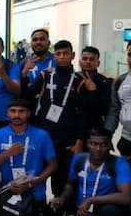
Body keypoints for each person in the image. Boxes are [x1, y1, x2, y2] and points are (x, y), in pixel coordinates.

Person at [51, 128, 131, 216]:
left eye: (103, 144)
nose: (98, 149)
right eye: (94, 144)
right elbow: (70, 184)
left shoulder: (119, 164)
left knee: (111, 213)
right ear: (88, 144)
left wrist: (91, 200)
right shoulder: (79, 159)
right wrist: (62, 198)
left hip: (102, 211)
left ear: (110, 145)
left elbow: (126, 196)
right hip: (79, 208)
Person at [0, 98, 57, 216]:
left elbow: (53, 165)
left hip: (35, 193)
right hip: (8, 191)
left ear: (28, 114)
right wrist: (7, 153)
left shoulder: (42, 135)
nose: (17, 115)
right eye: (13, 111)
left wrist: (32, 183)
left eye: (21, 111)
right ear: (7, 113)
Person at [27, 40, 89, 197]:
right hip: (44, 135)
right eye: (58, 54)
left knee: (61, 178)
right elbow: (27, 95)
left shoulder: (79, 81)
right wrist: (23, 73)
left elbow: (83, 114)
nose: (62, 57)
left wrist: (80, 141)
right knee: (37, 173)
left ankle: (58, 210)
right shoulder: (45, 75)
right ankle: (37, 208)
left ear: (72, 55)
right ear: (53, 56)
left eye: (65, 53)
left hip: (66, 138)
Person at [78, 46, 112, 134]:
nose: (88, 62)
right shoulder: (73, 78)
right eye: (84, 59)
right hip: (74, 128)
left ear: (98, 63)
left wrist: (93, 91)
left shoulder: (105, 82)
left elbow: (103, 110)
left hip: (94, 129)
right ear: (80, 62)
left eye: (92, 59)